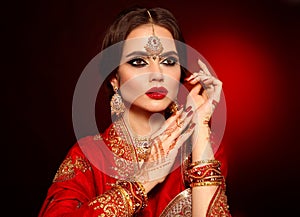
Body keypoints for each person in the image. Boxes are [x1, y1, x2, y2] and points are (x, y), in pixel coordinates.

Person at [38, 6, 231, 217]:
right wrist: (143, 181)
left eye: (168, 62)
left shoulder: (201, 146)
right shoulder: (89, 156)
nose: (157, 75)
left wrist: (200, 125)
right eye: (138, 62)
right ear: (115, 79)